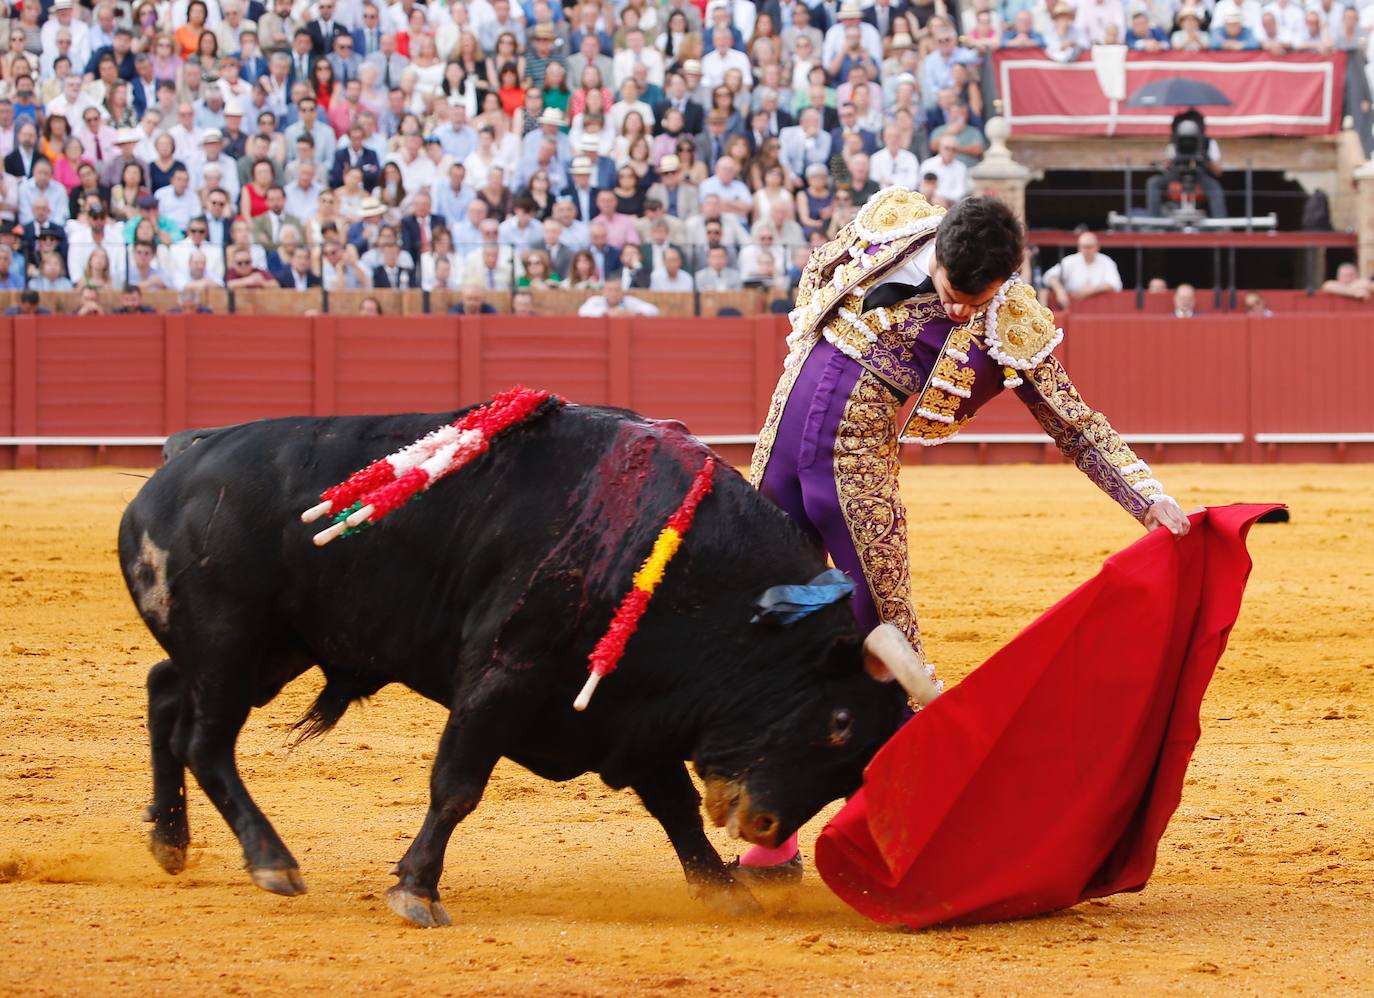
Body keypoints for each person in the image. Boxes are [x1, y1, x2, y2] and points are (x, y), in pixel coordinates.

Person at [739, 190, 1190, 881]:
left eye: (974, 304)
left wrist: (1148, 498)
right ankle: (775, 836)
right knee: (768, 629)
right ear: (939, 248)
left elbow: (1073, 422)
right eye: (954, 294)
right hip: (781, 439)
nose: (960, 312)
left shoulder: (1010, 316)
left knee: (889, 648)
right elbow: (820, 267)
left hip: (853, 473)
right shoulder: (894, 220)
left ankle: (913, 833)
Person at [1042, 231, 1123, 310]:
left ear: (1097, 247)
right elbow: (1049, 276)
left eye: (1089, 247)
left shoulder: (1106, 261)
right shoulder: (1070, 261)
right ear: (1079, 247)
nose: (1086, 250)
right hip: (1072, 308)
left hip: (1100, 308)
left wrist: (1091, 290)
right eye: (1083, 247)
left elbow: (1115, 284)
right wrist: (1060, 291)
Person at [576, 281, 660, 316]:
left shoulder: (629, 301)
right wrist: (607, 312)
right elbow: (582, 311)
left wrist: (633, 313)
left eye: (617, 290)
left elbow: (654, 310)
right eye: (610, 290)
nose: (613, 293)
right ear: (604, 292)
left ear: (622, 292)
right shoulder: (596, 300)